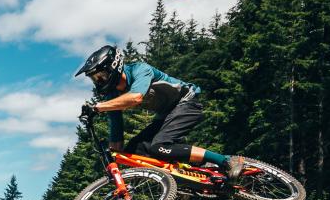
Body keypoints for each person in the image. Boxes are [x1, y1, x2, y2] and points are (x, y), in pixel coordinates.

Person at [76, 45, 245, 181]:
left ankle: (227, 160)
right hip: (166, 114)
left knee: (159, 146)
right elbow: (116, 129)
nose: (99, 81)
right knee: (134, 151)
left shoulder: (140, 70)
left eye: (101, 76)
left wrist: (98, 107)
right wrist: (114, 157)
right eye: (95, 78)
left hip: (187, 102)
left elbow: (135, 98)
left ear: (114, 66)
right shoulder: (111, 95)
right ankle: (187, 176)